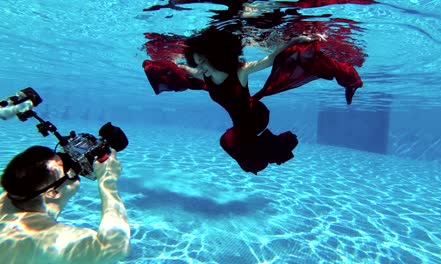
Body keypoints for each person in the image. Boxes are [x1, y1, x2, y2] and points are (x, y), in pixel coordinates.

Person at [143, 28, 363, 173]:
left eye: (204, 61)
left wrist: (295, 40)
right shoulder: (204, 75)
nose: (201, 67)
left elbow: (270, 59)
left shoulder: (240, 72)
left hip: (254, 117)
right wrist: (164, 62)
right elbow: (184, 69)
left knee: (231, 144)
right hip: (242, 122)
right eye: (197, 62)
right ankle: (266, 151)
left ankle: (271, 150)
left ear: (216, 57)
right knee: (233, 144)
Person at [0, 146, 130, 264]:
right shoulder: (45, 239)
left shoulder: (11, 196)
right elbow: (115, 247)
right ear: (52, 192)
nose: (72, 169)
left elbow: (26, 174)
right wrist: (107, 181)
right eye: (68, 170)